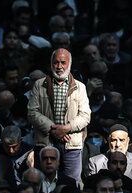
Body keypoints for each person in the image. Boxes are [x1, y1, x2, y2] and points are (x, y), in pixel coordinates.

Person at [28, 48, 91, 181]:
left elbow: (85, 115)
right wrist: (53, 129)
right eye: (56, 62)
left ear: (70, 64)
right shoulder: (39, 85)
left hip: (71, 145)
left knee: (71, 184)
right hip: (45, 142)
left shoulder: (80, 87)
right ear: (51, 63)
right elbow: (32, 112)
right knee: (43, 183)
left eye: (63, 62)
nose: (59, 66)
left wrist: (66, 128)